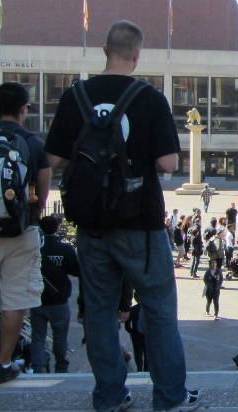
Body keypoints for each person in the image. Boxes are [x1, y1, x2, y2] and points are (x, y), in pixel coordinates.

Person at [45, 21, 200, 411]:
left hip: (91, 225)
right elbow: (166, 162)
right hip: (140, 222)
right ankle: (170, 398)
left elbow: (54, 158)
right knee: (160, 309)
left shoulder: (75, 96)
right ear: (136, 55)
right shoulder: (149, 98)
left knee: (97, 312)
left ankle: (110, 396)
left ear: (104, 50)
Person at [0, 82, 51, 384]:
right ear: (25, 108)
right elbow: (42, 195)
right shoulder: (35, 144)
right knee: (15, 300)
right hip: (19, 232)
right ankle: (3, 363)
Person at [30, 216, 81, 374]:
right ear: (57, 228)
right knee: (60, 336)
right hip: (59, 298)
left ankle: (37, 367)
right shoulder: (65, 249)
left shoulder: (34, 248)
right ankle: (61, 366)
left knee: (38, 335)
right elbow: (75, 270)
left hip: (37, 297)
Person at [124, 294, 148, 372]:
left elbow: (127, 326)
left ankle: (139, 370)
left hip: (136, 335)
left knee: (138, 354)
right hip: (147, 335)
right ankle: (147, 370)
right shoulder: (148, 309)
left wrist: (132, 332)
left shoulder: (132, 310)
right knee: (147, 354)